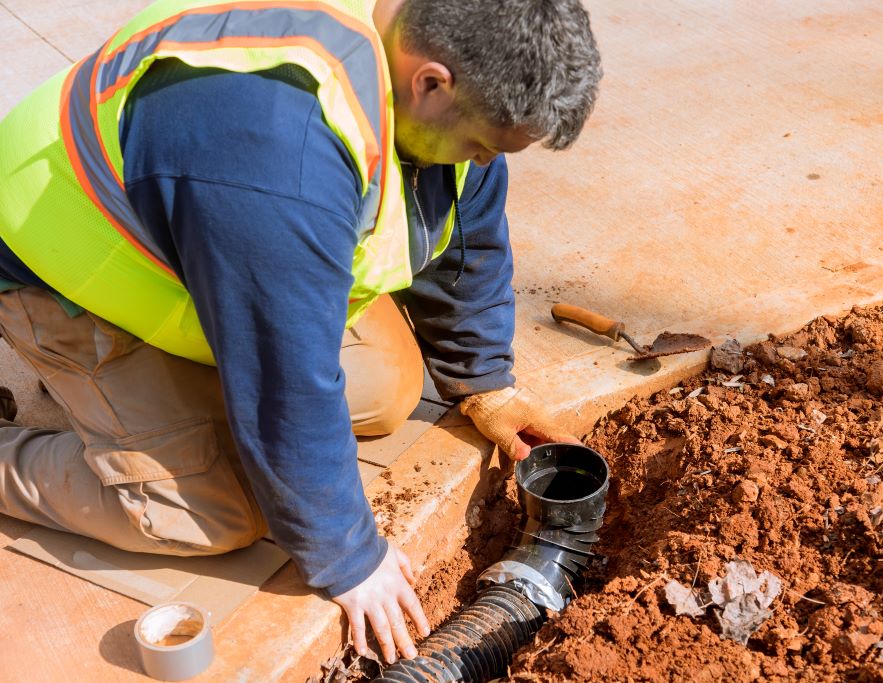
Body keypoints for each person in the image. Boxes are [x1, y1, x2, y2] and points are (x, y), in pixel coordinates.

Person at [0, 0, 601, 666]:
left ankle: (161, 415)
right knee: (209, 510)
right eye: (481, 144)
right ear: (431, 82)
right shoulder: (280, 148)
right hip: (73, 263)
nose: (484, 160)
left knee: (384, 388)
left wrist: (485, 380)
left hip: (219, 250)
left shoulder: (431, 54)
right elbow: (285, 380)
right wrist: (349, 555)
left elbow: (469, 221)